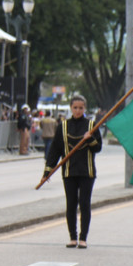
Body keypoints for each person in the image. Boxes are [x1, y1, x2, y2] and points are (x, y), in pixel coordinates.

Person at [42, 95, 102, 248]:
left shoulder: (91, 125)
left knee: (84, 204)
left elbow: (98, 148)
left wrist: (90, 139)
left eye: (81, 108)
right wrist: (47, 170)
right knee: (71, 204)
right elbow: (55, 150)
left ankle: (83, 238)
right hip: (69, 171)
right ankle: (72, 237)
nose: (77, 110)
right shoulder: (63, 126)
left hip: (87, 172)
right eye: (75, 108)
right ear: (70, 108)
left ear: (84, 109)